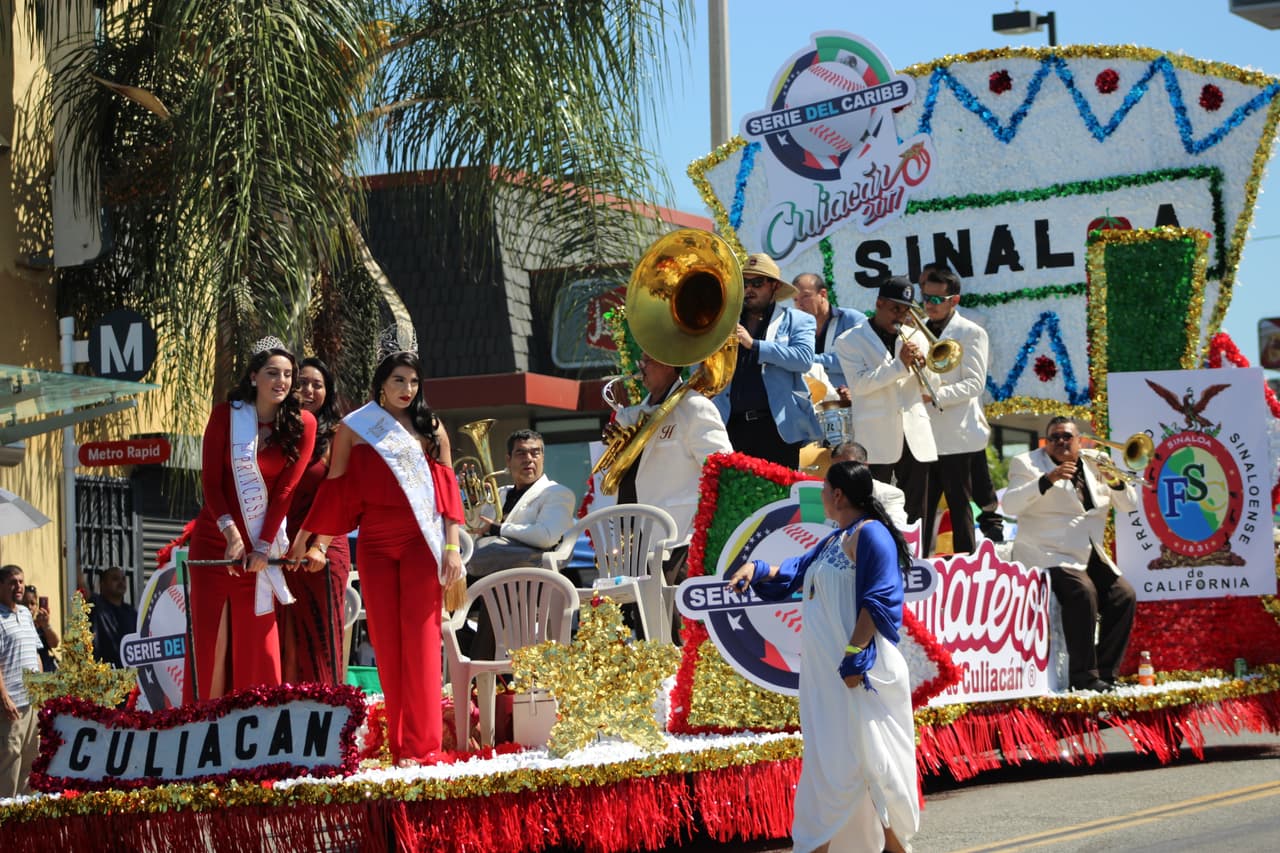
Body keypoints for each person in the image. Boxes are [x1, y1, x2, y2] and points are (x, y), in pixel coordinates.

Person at [726, 462, 918, 853]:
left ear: (838, 495)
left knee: (867, 767)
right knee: (836, 765)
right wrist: (756, 567)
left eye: (824, 487)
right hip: (829, 676)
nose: (821, 493)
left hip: (859, 674)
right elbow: (797, 570)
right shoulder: (836, 537)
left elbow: (878, 601)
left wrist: (852, 659)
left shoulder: (872, 534)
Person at [292, 349, 465, 765]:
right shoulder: (354, 429)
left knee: (422, 640)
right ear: (380, 387)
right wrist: (308, 540)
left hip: (420, 542)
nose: (407, 390)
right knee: (387, 643)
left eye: (413, 382)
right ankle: (400, 745)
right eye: (398, 381)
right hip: (374, 543)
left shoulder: (431, 429)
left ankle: (424, 748)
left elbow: (446, 496)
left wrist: (453, 547)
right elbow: (336, 492)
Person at [186, 340, 317, 702]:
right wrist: (230, 532)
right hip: (217, 540)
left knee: (259, 644)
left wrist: (261, 545)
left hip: (261, 547)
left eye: (289, 375)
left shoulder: (303, 424)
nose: (282, 381)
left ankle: (256, 731)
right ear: (254, 376)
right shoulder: (226, 416)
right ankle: (202, 727)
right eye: (273, 373)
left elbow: (286, 492)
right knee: (213, 643)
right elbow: (211, 483)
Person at [1002, 416, 1138, 692]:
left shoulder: (1096, 459)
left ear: (1079, 440)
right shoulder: (1026, 463)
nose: (1061, 442)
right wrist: (1046, 480)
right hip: (1047, 553)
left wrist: (1114, 480)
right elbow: (1010, 504)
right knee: (1083, 593)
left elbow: (1129, 504)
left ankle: (1107, 673)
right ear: (1046, 442)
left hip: (1088, 551)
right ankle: (1083, 677)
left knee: (1124, 595)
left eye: (1067, 437)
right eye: (1054, 438)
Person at [611, 351, 733, 636]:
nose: (641, 366)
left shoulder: (693, 407)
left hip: (678, 534)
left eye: (647, 360)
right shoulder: (641, 410)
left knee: (675, 626)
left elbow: (721, 468)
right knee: (645, 628)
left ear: (668, 362)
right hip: (637, 538)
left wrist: (705, 528)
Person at [834, 276, 938, 526]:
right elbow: (860, 385)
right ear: (879, 303)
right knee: (873, 507)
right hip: (875, 438)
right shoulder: (849, 340)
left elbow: (933, 388)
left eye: (906, 310)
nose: (901, 316)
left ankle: (917, 561)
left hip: (915, 436)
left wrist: (927, 370)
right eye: (895, 308)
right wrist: (900, 365)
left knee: (918, 512)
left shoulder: (917, 336)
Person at [712, 253, 822, 469]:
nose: (749, 289)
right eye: (744, 283)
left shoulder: (798, 319)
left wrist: (754, 344)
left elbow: (803, 359)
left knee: (781, 500)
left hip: (776, 431)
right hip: (731, 427)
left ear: (774, 286)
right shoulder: (725, 322)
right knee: (740, 500)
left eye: (757, 283)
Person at [279, 357, 351, 684]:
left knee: (322, 642)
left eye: (317, 384)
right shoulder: (277, 432)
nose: (308, 390)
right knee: (286, 641)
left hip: (322, 549)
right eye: (302, 383)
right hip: (280, 551)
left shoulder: (338, 435)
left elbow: (340, 495)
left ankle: (329, 719)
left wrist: (318, 546)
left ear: (328, 392)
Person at [919, 267, 992, 556]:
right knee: (919, 511)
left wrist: (934, 395)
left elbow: (975, 383)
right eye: (926, 298)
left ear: (955, 300)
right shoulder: (916, 330)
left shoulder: (971, 332)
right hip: (923, 435)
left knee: (960, 507)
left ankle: (967, 570)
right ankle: (917, 571)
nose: (930, 305)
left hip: (957, 436)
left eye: (938, 299)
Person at [467, 430, 575, 576]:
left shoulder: (557, 492)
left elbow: (546, 537)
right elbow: (472, 532)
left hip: (532, 579)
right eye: (521, 453)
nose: (528, 459)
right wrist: (472, 503)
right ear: (508, 460)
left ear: (542, 458)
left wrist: (498, 529)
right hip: (489, 578)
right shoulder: (499, 493)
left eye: (535, 453)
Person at [1, 565, 42, 798]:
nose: (18, 586)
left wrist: (42, 688)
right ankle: (5, 818)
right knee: (10, 758)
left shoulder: (26, 614)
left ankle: (24, 819)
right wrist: (4, 697)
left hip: (32, 701)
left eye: (20, 582)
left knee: (31, 757)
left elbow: (36, 653)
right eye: (12, 582)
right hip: (12, 704)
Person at [792, 272, 864, 398]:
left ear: (823, 294)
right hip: (816, 409)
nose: (800, 304)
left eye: (805, 296)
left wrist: (804, 359)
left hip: (855, 404)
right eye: (795, 299)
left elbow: (857, 360)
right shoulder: (796, 329)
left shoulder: (852, 319)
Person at [831, 442, 908, 530]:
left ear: (864, 467)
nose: (841, 475)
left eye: (848, 467)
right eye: (835, 470)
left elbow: (896, 528)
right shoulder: (827, 493)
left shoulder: (889, 495)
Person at [88, 567, 136, 668]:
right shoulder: (96, 605)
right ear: (102, 584)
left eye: (123, 579)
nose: (121, 582)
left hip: (129, 674)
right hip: (105, 674)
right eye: (115, 579)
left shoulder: (131, 613)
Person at [20, 584, 60, 672]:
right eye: (25, 603)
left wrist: (46, 625)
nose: (29, 607)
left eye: (32, 603)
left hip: (47, 673)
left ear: (37, 606)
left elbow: (55, 643)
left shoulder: (40, 624)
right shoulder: (18, 625)